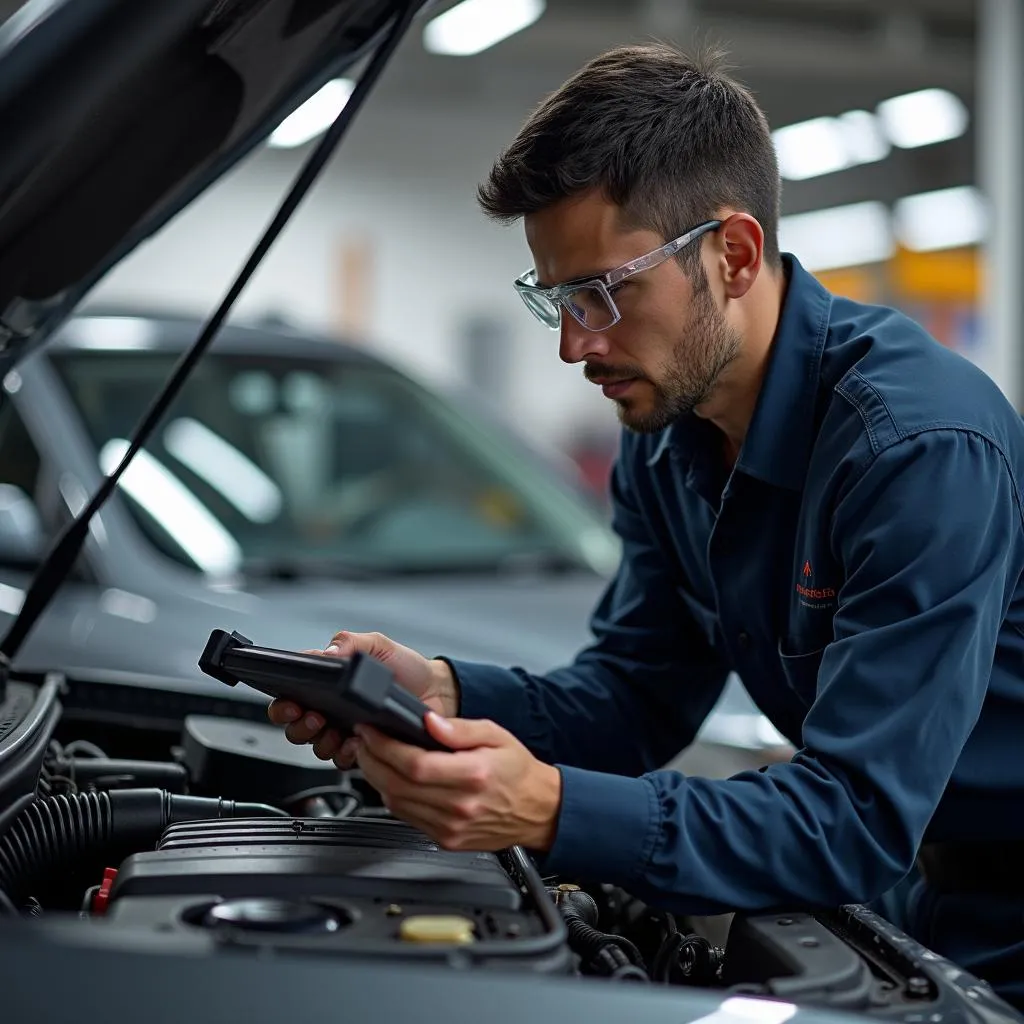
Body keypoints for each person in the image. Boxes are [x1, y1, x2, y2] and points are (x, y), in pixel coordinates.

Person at [268, 44, 1024, 1007]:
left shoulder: (917, 448)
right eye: (556, 298)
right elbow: (635, 698)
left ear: (735, 255)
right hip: (924, 892)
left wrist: (546, 808)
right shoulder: (670, 431)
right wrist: (444, 695)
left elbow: (851, 817)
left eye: (604, 293)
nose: (574, 344)